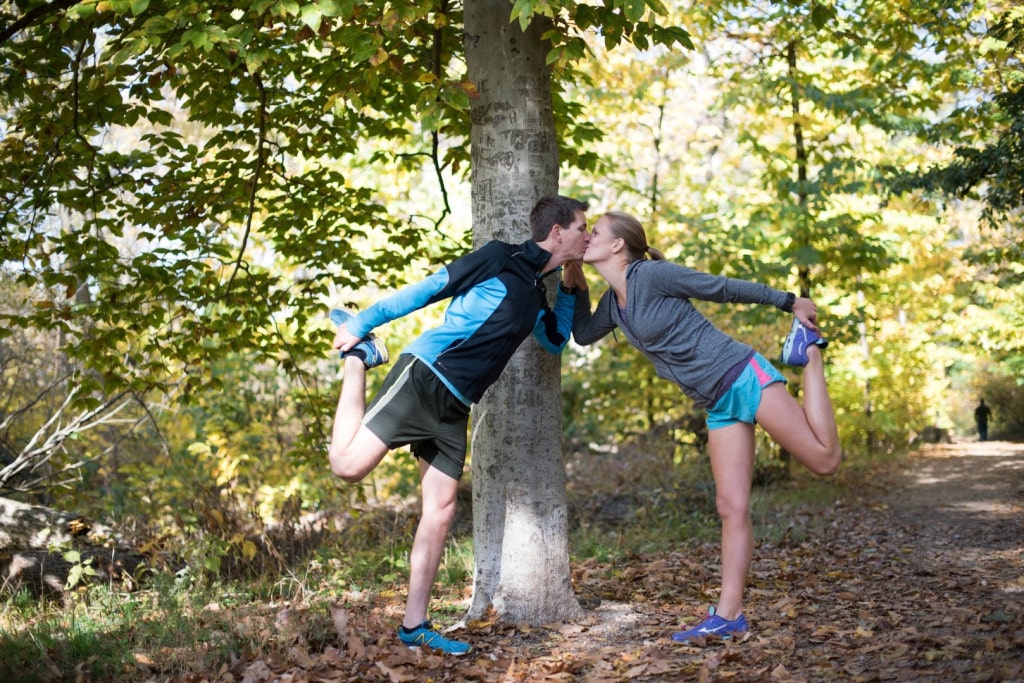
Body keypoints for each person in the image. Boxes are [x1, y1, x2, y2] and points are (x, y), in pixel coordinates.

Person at [328, 195, 590, 655]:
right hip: (424, 376)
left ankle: (414, 626)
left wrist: (570, 286)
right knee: (347, 466)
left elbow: (552, 341)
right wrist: (365, 321)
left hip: (456, 405)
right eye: (582, 228)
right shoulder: (499, 257)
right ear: (557, 232)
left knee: (442, 510)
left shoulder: (535, 289)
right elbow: (430, 288)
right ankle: (359, 358)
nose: (588, 236)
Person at [564, 211, 842, 644]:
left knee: (825, 462)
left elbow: (720, 288)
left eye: (594, 233)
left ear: (618, 244)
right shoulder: (612, 306)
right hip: (716, 404)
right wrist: (572, 282)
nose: (587, 238)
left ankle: (811, 354)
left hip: (741, 374)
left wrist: (790, 302)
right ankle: (730, 615)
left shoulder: (652, 276)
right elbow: (581, 334)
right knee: (730, 508)